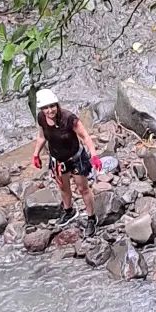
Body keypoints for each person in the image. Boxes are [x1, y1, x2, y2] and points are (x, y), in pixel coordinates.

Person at [27, 88, 102, 233]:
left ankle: (92, 218)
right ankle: (69, 211)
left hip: (76, 158)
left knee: (83, 189)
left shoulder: (69, 119)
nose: (49, 110)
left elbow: (85, 136)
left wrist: (94, 156)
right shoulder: (41, 118)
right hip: (58, 161)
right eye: (45, 108)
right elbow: (42, 136)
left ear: (57, 105)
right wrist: (35, 154)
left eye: (52, 106)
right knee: (63, 188)